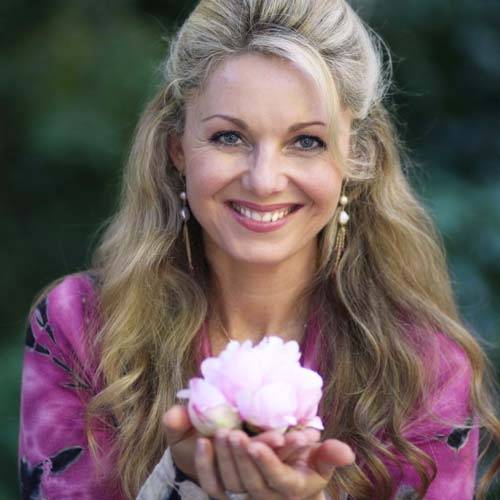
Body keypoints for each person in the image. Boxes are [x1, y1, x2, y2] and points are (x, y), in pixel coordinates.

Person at [18, 0, 500, 499]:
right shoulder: (79, 327)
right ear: (178, 146)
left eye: (307, 142)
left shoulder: (423, 368)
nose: (264, 180)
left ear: (355, 157)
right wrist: (183, 483)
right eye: (229, 136)